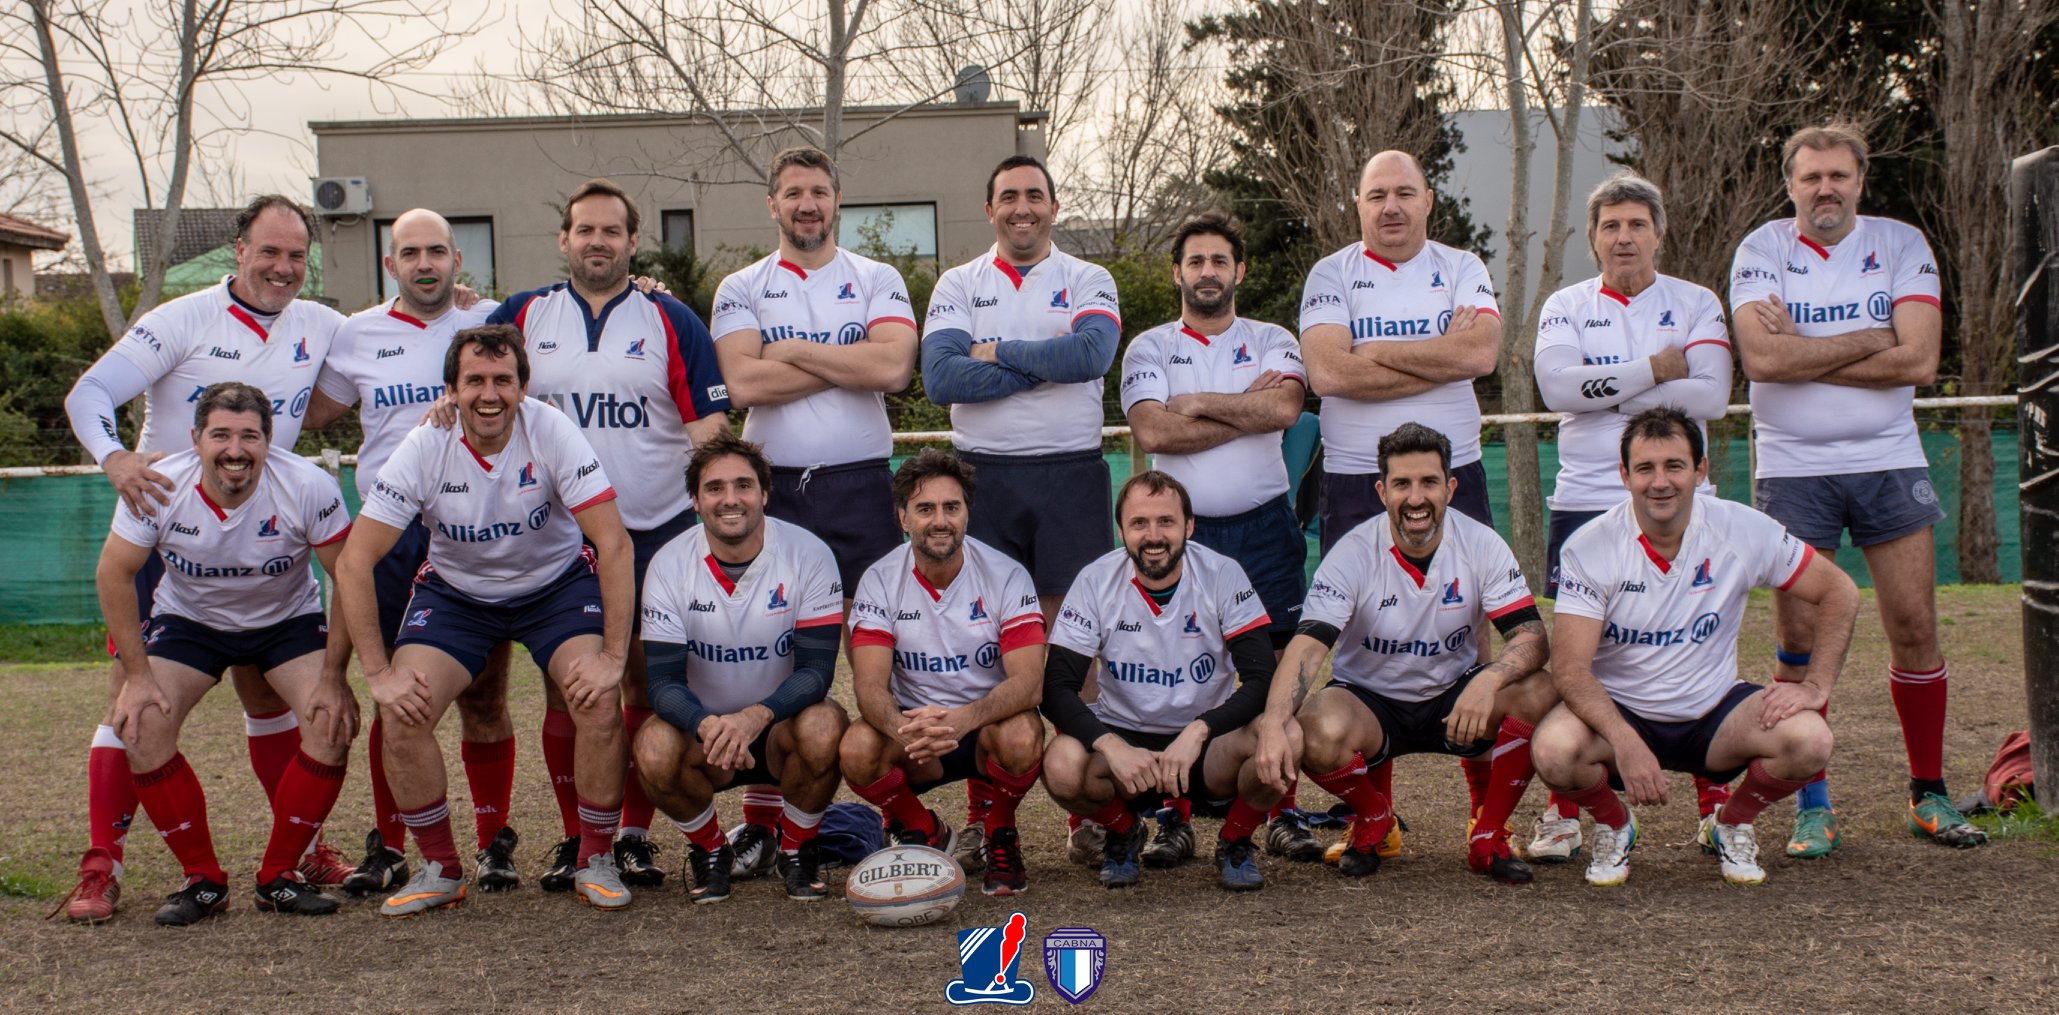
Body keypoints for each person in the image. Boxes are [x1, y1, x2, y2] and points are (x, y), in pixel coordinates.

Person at [58, 194, 350, 922]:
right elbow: (90, 391)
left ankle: (300, 850)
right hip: (174, 521)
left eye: (295, 255)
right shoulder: (182, 318)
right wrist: (116, 455)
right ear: (238, 248)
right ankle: (103, 863)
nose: (282, 267)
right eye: (268, 251)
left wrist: (473, 303)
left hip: (269, 532)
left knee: (269, 701)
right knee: (133, 700)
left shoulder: (320, 322)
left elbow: (403, 339)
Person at [1728, 123, 1983, 856]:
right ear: (1790, 185)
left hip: (1887, 458)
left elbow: (1922, 358)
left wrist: (1802, 352)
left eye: (1838, 176)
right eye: (1810, 178)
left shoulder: (1900, 244)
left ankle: (1927, 793)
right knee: (1797, 639)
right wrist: (1873, 337)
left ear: (1859, 181)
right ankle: (1813, 803)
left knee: (1912, 625)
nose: (1825, 189)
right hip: (1791, 467)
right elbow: (1760, 358)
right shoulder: (1761, 249)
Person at [335, 325, 637, 915]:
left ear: (524, 387)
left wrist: (614, 659)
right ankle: (440, 868)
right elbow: (353, 562)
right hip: (457, 595)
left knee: (598, 699)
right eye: (474, 380)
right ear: (451, 388)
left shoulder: (551, 430)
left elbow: (614, 544)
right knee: (402, 708)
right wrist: (376, 672)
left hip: (553, 587)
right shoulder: (425, 444)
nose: (489, 393)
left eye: (503, 379)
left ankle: (596, 857)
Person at [487, 178, 732, 889]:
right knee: (569, 689)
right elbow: (472, 387)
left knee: (644, 687)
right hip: (556, 539)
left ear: (632, 242)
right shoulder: (522, 314)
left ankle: (629, 834)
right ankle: (575, 836)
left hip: (652, 530)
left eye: (611, 231)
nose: (598, 241)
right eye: (584, 230)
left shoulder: (670, 318)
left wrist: (712, 522)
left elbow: (708, 433)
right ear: (563, 240)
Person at [1531, 407, 1855, 886]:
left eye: (1674, 466)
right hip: (1623, 714)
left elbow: (1839, 592)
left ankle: (1732, 822)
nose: (1660, 482)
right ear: (1624, 476)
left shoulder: (1742, 529)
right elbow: (1571, 670)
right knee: (1554, 751)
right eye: (1645, 468)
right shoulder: (1589, 546)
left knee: (1811, 740)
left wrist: (1815, 686)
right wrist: (1626, 742)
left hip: (1714, 716)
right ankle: (1616, 826)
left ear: (1701, 471)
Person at [708, 146, 916, 875]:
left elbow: (891, 367)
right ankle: (764, 823)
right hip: (778, 489)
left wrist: (788, 349)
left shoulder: (876, 277)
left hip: (860, 483)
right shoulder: (740, 284)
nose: (807, 203)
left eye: (819, 191)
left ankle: (903, 813)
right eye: (793, 191)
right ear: (772, 204)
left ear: (836, 202)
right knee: (773, 651)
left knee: (874, 653)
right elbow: (739, 381)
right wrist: (841, 356)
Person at [304, 208, 522, 895]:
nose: (424, 263)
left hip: (470, 528)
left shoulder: (493, 320)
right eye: (410, 252)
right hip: (389, 534)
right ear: (389, 265)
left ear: (458, 259)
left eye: (436, 251)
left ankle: (494, 842)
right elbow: (310, 410)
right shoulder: (356, 332)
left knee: (484, 696)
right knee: (395, 691)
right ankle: (390, 844)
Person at [918, 153, 1120, 869]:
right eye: (1008, 196)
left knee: (1073, 651)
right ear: (990, 208)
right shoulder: (958, 282)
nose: (1022, 207)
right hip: (987, 480)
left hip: (1069, 476)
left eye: (1034, 195)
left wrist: (996, 352)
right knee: (990, 651)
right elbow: (941, 373)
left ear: (1054, 207)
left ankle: (1086, 810)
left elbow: (1092, 353)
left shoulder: (1087, 278)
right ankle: (987, 817)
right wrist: (1045, 361)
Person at [1528, 172, 1737, 861]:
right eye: (1609, 225)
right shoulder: (1564, 303)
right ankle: (1564, 813)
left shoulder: (1697, 300)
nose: (1622, 236)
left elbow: (1706, 396)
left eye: (1635, 224)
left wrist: (1604, 384)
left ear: (1658, 232)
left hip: (1679, 501)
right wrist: (1654, 367)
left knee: (1692, 643)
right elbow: (1556, 385)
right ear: (1591, 238)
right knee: (1579, 656)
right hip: (1584, 497)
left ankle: (1716, 808)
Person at [96, 382, 357, 924]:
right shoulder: (162, 484)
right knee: (140, 722)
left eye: (249, 436)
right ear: (196, 439)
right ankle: (203, 879)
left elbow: (350, 578)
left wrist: (334, 675)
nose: (234, 450)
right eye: (220, 435)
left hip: (285, 622)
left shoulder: (308, 484)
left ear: (269, 440)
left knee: (331, 721)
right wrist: (138, 677)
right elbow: (114, 573)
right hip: (191, 623)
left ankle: (279, 875)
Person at [1252, 423, 1555, 884]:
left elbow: (1532, 635)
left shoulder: (1481, 544)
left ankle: (1488, 834)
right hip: (1371, 702)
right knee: (1311, 728)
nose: (1416, 498)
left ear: (1450, 488)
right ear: (1381, 491)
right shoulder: (1353, 552)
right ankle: (1375, 819)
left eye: (1429, 482)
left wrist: (1488, 679)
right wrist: (1274, 724)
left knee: (1539, 691)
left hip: (1455, 698)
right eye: (1402, 484)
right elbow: (1309, 648)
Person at [1117, 210, 1307, 867]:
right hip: (1182, 537)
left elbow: (1284, 409)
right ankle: (1174, 815)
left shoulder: (1273, 337)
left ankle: (1277, 808)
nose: (1206, 271)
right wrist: (1238, 408)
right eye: (1194, 261)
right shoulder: (1147, 348)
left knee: (1278, 669)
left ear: (1239, 271)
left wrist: (1195, 400)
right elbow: (1155, 434)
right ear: (1177, 271)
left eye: (1218, 261)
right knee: (1182, 671)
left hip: (1263, 527)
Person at [1040, 471, 1286, 891]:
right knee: (1060, 763)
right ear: (1121, 531)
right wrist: (1110, 744)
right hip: (1127, 749)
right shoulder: (1096, 580)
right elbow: (1056, 688)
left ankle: (1235, 841)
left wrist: (1200, 729)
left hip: (1208, 747)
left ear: (1189, 525)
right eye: (1139, 523)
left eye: (1166, 522)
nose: (1153, 536)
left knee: (1286, 735)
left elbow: (1263, 678)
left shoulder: (1222, 574)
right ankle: (1123, 832)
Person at [633, 430, 849, 903]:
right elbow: (662, 683)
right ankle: (711, 851)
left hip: (778, 730)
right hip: (704, 737)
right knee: (651, 748)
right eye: (714, 488)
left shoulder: (809, 554)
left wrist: (755, 716)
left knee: (827, 726)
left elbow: (816, 673)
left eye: (743, 485)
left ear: (765, 493)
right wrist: (707, 723)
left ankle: (795, 848)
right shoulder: (669, 564)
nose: (730, 499)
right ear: (694, 499)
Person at [839, 451, 1046, 897]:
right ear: (903, 518)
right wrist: (901, 727)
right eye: (925, 508)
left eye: (951, 507)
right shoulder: (878, 579)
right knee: (857, 748)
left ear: (967, 513)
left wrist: (966, 719)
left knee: (1023, 734)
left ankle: (999, 832)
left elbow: (1029, 683)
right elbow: (868, 684)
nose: (940, 520)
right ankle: (927, 831)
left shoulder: (1006, 575)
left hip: (984, 729)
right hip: (916, 734)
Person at [1296, 150, 1502, 555]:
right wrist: (1444, 360)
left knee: (1467, 603)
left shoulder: (1463, 266)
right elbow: (1330, 375)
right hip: (1356, 475)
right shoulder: (1331, 272)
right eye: (1377, 196)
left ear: (1427, 201)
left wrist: (1371, 350)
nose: (1390, 207)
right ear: (1359, 205)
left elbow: (1479, 355)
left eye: (1404, 194)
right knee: (1356, 613)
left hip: (1453, 471)